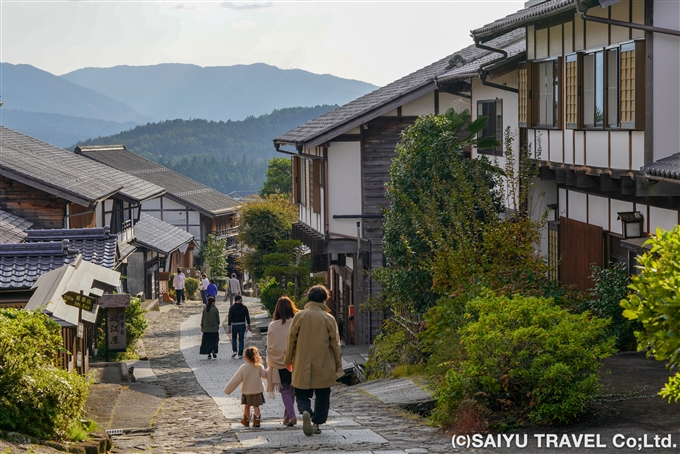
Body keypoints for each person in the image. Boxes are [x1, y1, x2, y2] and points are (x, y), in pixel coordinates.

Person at [284, 284, 342, 436]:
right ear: (324, 300)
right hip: (324, 363)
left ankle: (305, 411)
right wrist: (338, 364)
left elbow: (291, 340)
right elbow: (335, 344)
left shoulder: (299, 316)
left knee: (302, 394)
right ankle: (317, 423)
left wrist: (288, 360)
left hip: (302, 363)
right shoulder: (328, 318)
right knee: (323, 395)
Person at [266, 296, 299, 427]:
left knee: (284, 388)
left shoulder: (272, 326)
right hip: (295, 360)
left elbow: (270, 345)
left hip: (278, 361)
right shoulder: (295, 322)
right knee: (292, 388)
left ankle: (291, 415)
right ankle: (287, 417)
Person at [223, 346, 267, 428]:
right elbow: (265, 375)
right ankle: (257, 420)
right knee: (256, 406)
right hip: (257, 390)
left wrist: (227, 390)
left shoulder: (243, 367)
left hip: (246, 391)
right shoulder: (259, 366)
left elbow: (236, 380)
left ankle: (246, 420)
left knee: (247, 406)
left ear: (245, 357)